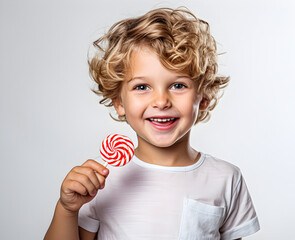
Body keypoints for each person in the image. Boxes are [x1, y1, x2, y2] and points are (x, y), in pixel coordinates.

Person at [44, 7, 260, 240]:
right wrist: (67, 209)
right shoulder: (101, 179)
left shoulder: (226, 178)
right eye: (142, 87)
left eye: (178, 85)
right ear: (119, 102)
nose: (161, 101)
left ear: (204, 97)